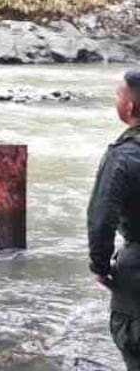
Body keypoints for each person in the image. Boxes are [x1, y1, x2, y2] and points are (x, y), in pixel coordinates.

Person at [88, 69, 140, 370]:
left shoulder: (122, 156)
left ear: (130, 108)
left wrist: (100, 265)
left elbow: (101, 218)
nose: (116, 100)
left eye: (118, 95)